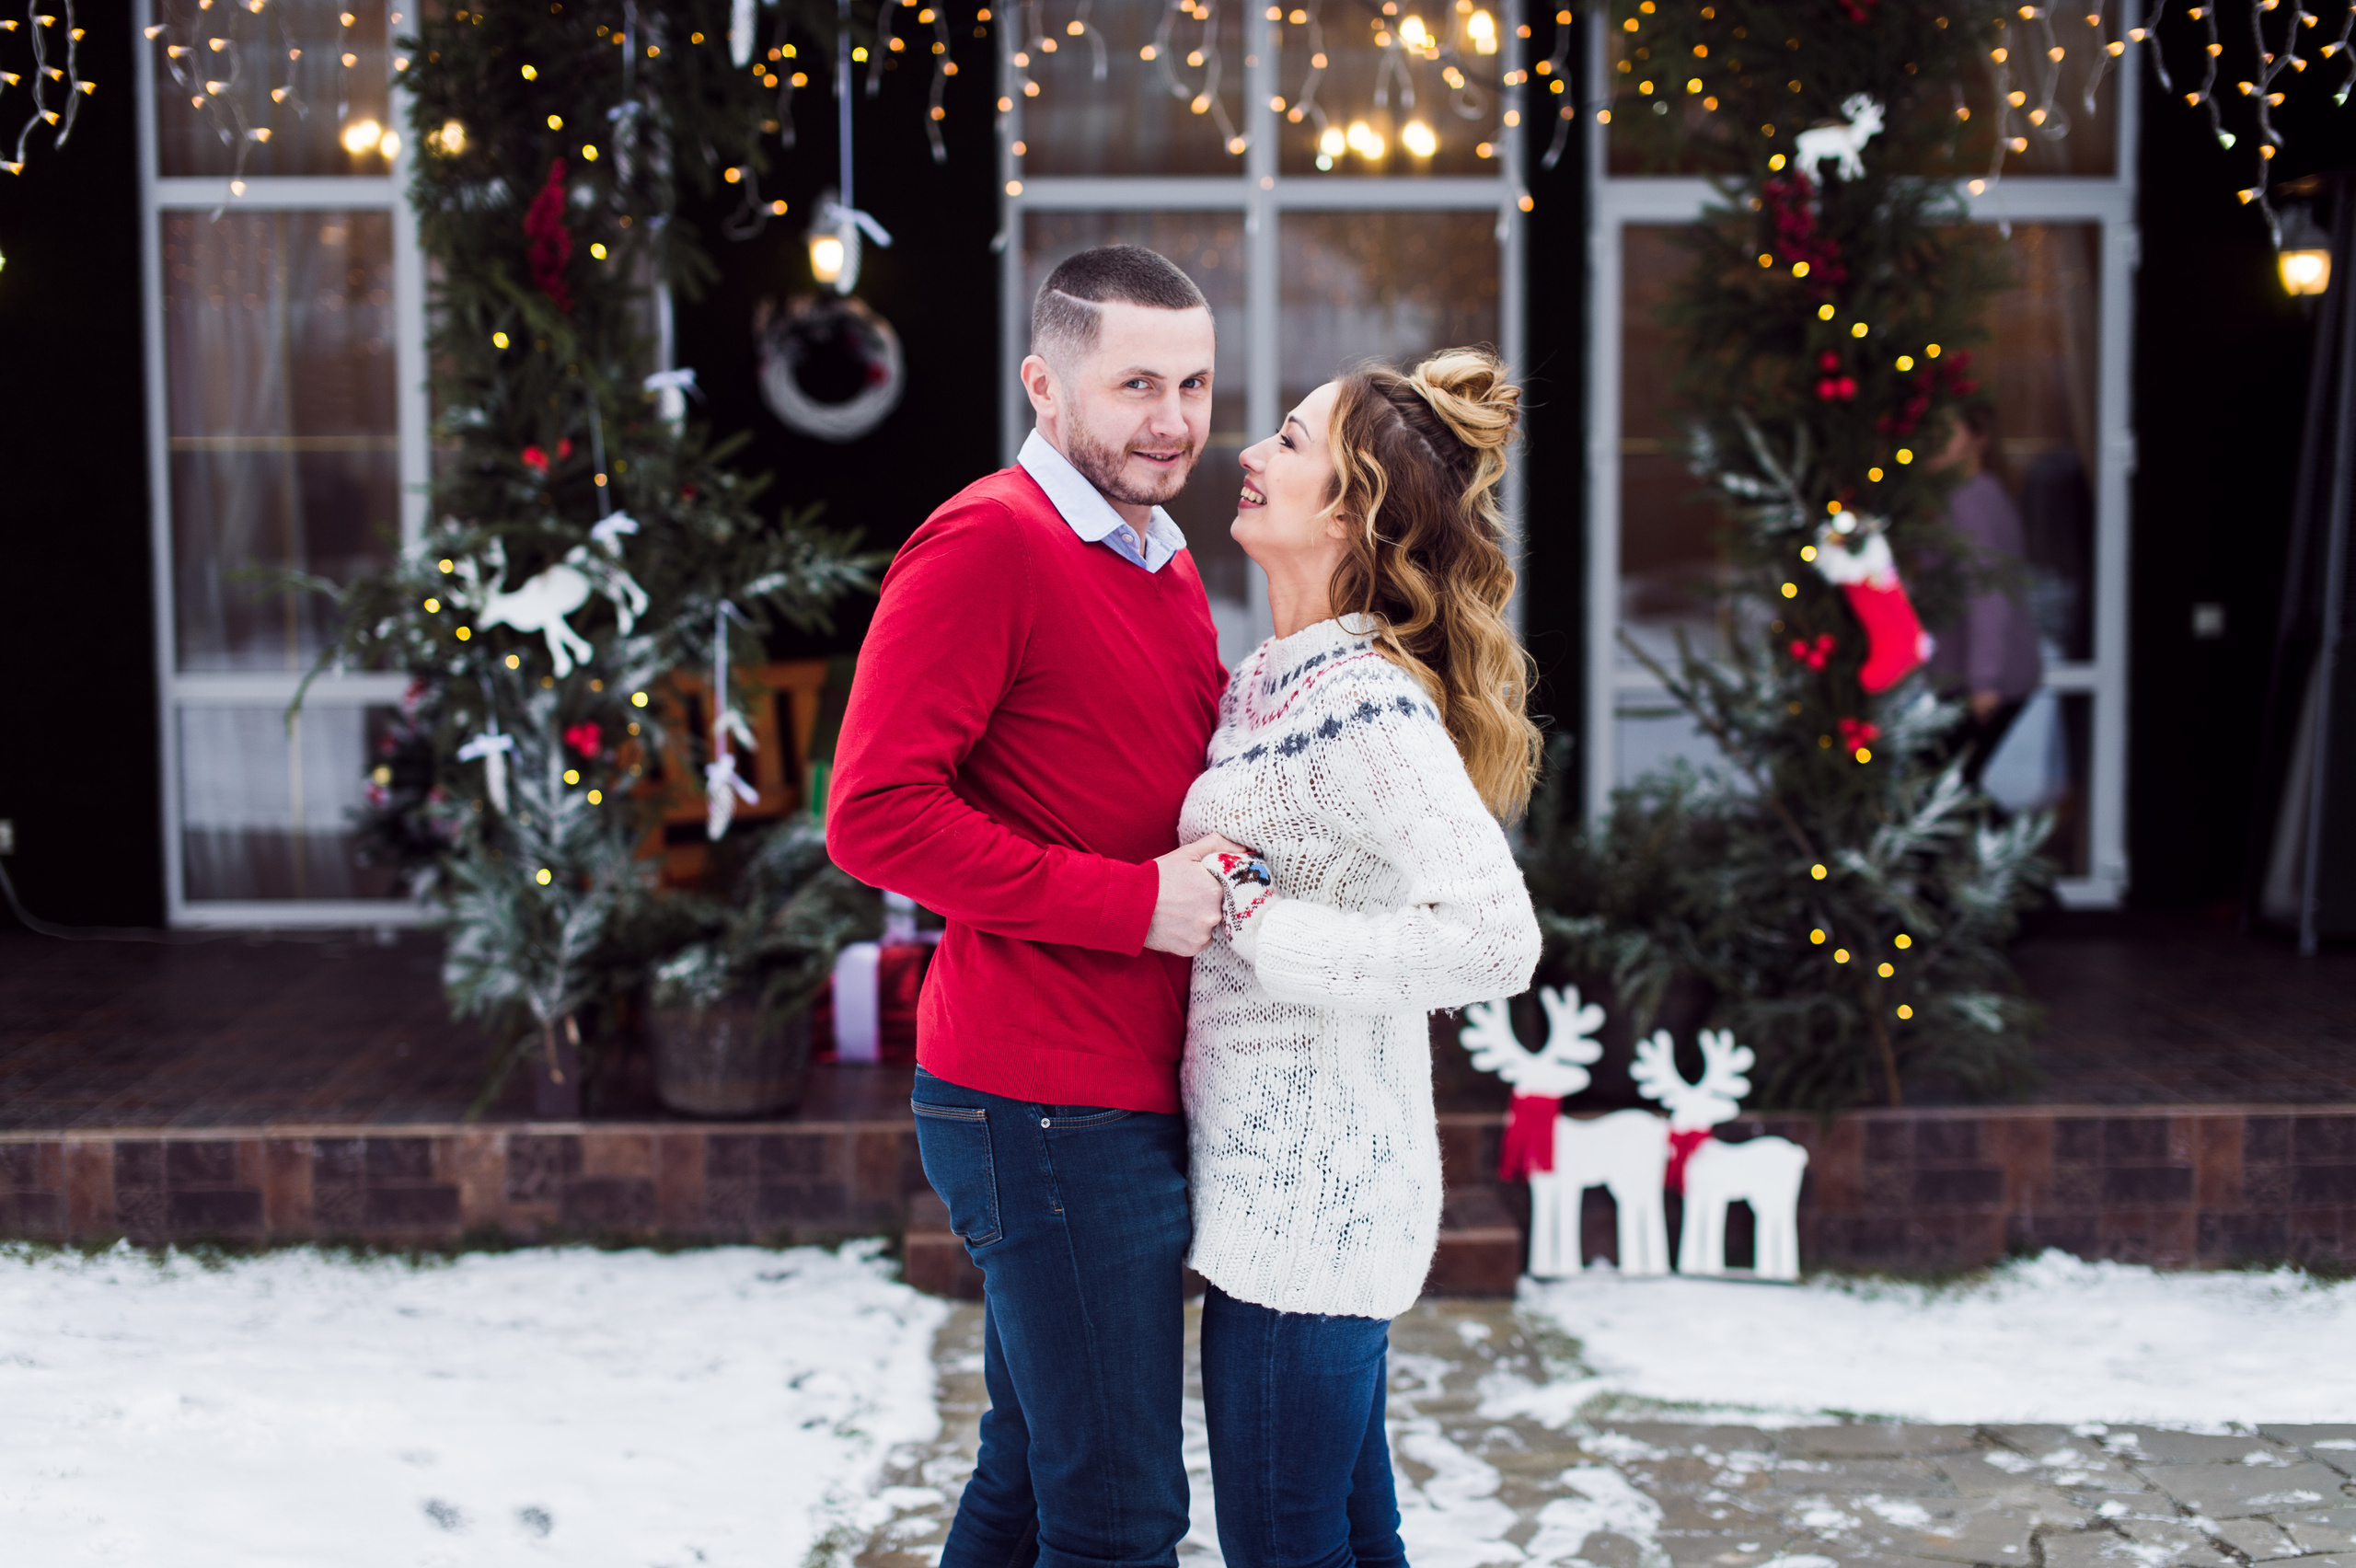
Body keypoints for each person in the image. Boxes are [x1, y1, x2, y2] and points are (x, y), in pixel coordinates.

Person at [826, 246, 1240, 1568]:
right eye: (1136, 384)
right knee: (1120, 1512)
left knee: (1029, 1474)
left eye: (1193, 384)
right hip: (1044, 1098)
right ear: (1045, 386)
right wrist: (1134, 906)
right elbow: (874, 815)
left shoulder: (1158, 553)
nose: (1172, 420)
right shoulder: (988, 541)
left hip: (1119, 1081)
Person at [1179, 349, 1543, 1568]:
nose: (1248, 453)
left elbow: (1494, 936)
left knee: (1285, 1550)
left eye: (1288, 440)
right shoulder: (1268, 685)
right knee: (1346, 1539)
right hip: (1275, 1198)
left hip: (1312, 1209)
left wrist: (1261, 925)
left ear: (1348, 509)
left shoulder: (1364, 705)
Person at [1926, 404, 2043, 783]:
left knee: (1939, 790)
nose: (1931, 444)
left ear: (1978, 440)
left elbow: (1988, 594)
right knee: (1953, 786)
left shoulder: (1969, 498)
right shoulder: (1982, 493)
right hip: (1977, 676)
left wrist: (1983, 680)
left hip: (1980, 680)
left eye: (1945, 433)